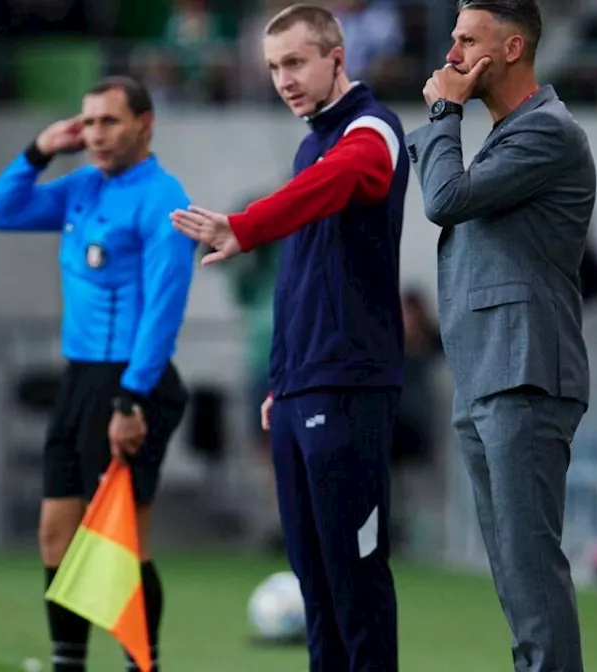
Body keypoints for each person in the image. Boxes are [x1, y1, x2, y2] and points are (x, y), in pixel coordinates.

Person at [169, 4, 408, 669]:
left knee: (355, 586)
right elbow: (296, 284)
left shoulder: (373, 129)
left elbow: (337, 184)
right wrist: (282, 378)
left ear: (338, 58)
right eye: (273, 67)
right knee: (316, 590)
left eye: (296, 62)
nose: (284, 79)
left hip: (351, 384)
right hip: (301, 389)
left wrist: (245, 226)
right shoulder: (310, 146)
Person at [0, 76, 195, 672]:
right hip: (79, 379)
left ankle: (140, 664)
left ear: (144, 125)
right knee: (56, 535)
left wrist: (131, 400)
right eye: (89, 122)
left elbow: (164, 307)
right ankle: (67, 662)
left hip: (132, 382)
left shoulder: (162, 198)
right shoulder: (81, 187)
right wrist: (40, 150)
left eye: (110, 122)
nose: (96, 134)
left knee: (122, 543)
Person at [403, 1, 594, 670]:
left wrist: (441, 115)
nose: (450, 53)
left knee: (530, 568)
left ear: (511, 49)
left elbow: (443, 200)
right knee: (516, 572)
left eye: (466, 39)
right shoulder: (509, 136)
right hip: (488, 371)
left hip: (526, 370)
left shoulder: (548, 134)